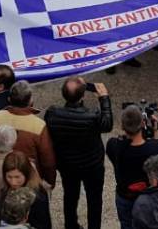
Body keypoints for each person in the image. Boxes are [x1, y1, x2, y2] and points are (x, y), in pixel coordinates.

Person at [44, 77, 111, 229]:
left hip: (67, 165)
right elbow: (107, 124)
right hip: (92, 165)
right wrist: (104, 99)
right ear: (82, 96)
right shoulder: (93, 116)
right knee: (94, 199)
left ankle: (71, 225)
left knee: (70, 196)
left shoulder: (52, 113)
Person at [0, 80, 57, 189]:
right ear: (30, 101)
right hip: (27, 179)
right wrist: (49, 182)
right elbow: (48, 161)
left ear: (9, 99)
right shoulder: (38, 125)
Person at [106, 104, 158, 229]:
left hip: (125, 195)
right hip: (147, 196)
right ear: (143, 123)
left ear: (122, 126)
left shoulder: (113, 146)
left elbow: (118, 147)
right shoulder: (155, 147)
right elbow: (154, 155)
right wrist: (154, 130)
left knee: (126, 225)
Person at [0, 151, 52, 229]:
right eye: (9, 177)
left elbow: (44, 225)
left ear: (26, 174)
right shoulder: (6, 189)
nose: (13, 182)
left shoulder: (38, 197)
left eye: (17, 177)